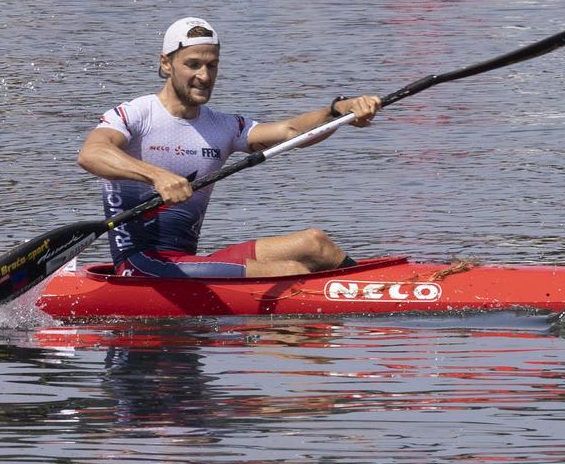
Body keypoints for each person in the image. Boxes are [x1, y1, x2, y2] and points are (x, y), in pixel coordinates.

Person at [79, 16, 382, 278]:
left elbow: (292, 132)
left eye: (212, 65)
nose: (204, 76)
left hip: (186, 263)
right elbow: (91, 154)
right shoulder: (135, 114)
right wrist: (156, 176)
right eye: (193, 65)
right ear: (166, 63)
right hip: (141, 266)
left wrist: (337, 111)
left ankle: (379, 288)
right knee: (289, 272)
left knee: (316, 244)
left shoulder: (223, 126)